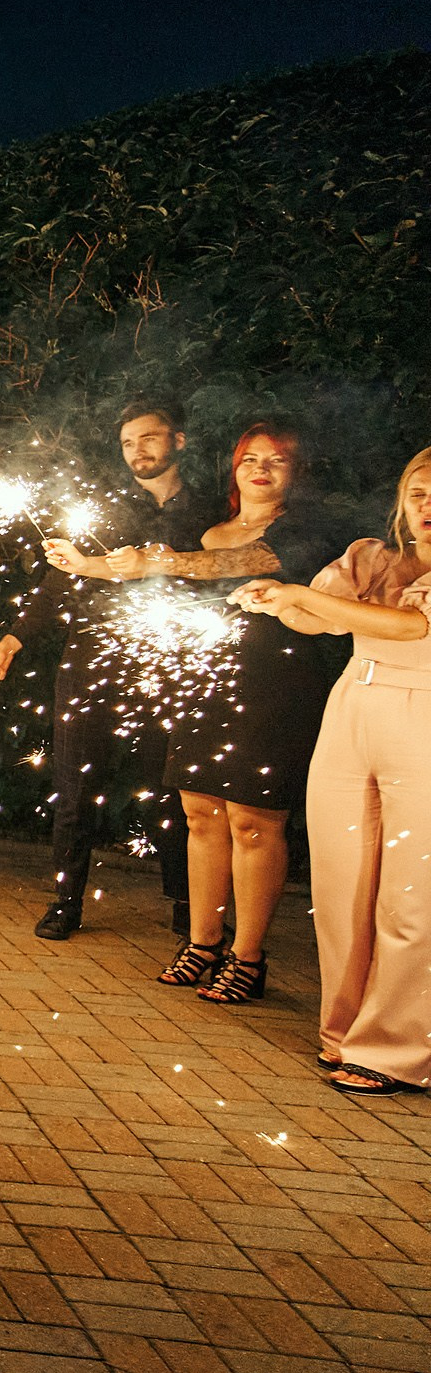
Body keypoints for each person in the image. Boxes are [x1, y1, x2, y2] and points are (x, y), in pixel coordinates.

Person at [98, 424, 338, 1004]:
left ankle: (248, 957)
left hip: (276, 685)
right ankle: (203, 942)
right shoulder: (206, 528)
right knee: (201, 813)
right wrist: (95, 563)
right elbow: (176, 575)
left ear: (297, 472)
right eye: (249, 459)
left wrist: (156, 562)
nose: (260, 469)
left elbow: (240, 562)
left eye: (276, 460)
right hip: (206, 681)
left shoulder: (306, 530)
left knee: (254, 821)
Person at [234, 447, 431, 1096]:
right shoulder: (372, 558)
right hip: (353, 709)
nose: (427, 506)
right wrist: (277, 603)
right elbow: (318, 617)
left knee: (411, 895)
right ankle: (343, 1033)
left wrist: (296, 595)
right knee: (343, 882)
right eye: (418, 494)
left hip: (424, 718)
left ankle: (397, 1050)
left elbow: (409, 628)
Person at [0, 400, 208, 940]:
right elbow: (61, 581)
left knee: (170, 789)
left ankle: (186, 902)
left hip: (167, 666)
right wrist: (10, 643)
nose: (137, 450)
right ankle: (67, 901)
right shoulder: (107, 508)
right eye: (127, 442)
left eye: (148, 437)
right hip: (90, 664)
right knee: (74, 786)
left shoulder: (207, 513)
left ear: (177, 440)